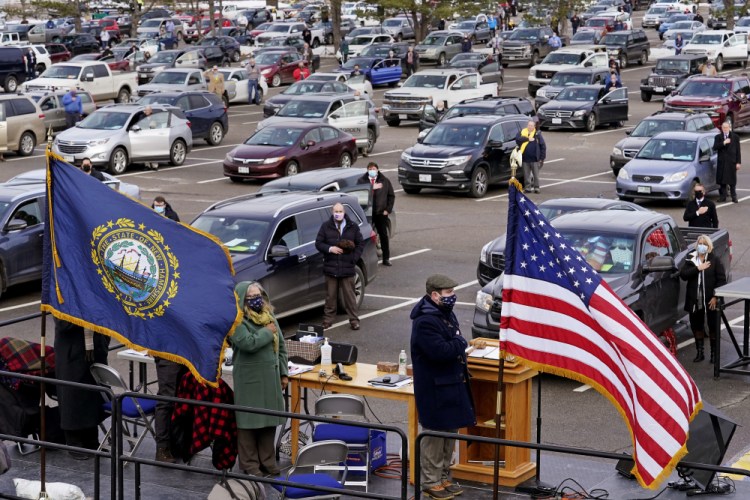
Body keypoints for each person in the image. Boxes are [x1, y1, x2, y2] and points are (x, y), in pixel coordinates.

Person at [410, 274, 476, 500]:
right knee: (435, 438)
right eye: (448, 293)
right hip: (435, 389)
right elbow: (442, 351)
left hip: (451, 385)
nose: (453, 296)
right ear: (435, 295)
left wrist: (456, 342)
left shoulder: (445, 314)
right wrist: (459, 342)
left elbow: (452, 343)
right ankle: (430, 481)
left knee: (450, 435)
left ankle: (444, 476)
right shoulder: (425, 321)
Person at [231, 281, 288, 476]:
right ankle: (250, 465)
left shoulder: (269, 316)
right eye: (252, 297)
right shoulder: (237, 321)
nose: (257, 300)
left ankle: (268, 462)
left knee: (268, 422)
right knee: (248, 424)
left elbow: (281, 346)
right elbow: (247, 343)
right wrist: (267, 331)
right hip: (249, 380)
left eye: (259, 296)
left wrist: (283, 373)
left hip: (270, 378)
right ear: (243, 301)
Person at [54, 319, 110, 459]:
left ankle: (92, 441)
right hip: (72, 353)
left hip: (94, 351)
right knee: (73, 397)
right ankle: (74, 443)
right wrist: (84, 313)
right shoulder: (62, 296)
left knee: (93, 396)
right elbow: (63, 325)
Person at [315, 202, 365, 330]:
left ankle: (354, 320)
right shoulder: (326, 226)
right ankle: (328, 320)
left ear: (344, 212)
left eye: (340, 211)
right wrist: (330, 249)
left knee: (350, 296)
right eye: (336, 211)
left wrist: (353, 259)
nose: (338, 214)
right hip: (331, 267)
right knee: (330, 296)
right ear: (332, 212)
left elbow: (360, 244)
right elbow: (319, 243)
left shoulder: (352, 226)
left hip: (347, 268)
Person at [679, 235, 727, 363]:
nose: (701, 246)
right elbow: (683, 275)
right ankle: (700, 352)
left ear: (709, 246)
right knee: (696, 325)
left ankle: (713, 354)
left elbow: (721, 280)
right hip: (695, 299)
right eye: (700, 243)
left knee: (713, 326)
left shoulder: (715, 260)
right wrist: (698, 268)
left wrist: (715, 297)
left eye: (704, 244)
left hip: (710, 300)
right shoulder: (691, 259)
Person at [359, 162, 395, 266]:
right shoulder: (362, 181)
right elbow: (359, 194)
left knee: (383, 235)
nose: (372, 170)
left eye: (374, 169)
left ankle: (386, 258)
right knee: (366, 235)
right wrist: (371, 187)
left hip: (380, 213)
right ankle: (365, 259)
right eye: (370, 169)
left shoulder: (385, 181)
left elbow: (391, 196)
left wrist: (387, 210)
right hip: (367, 214)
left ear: (377, 170)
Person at [515, 120, 546, 194]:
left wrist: (542, 158)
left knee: (536, 175)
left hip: (535, 159)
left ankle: (536, 188)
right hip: (525, 158)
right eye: (529, 125)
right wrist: (527, 139)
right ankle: (528, 188)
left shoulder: (537, 135)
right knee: (526, 175)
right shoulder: (522, 132)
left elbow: (543, 146)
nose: (530, 127)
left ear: (534, 126)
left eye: (531, 125)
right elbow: (518, 140)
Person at [713, 121, 741, 202]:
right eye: (723, 128)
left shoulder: (735, 137)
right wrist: (723, 142)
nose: (725, 129)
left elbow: (738, 151)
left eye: (726, 127)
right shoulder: (718, 137)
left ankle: (734, 196)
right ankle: (723, 196)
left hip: (731, 162)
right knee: (722, 181)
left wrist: (738, 162)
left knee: (732, 180)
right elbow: (715, 147)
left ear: (729, 128)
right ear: (721, 128)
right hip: (722, 162)